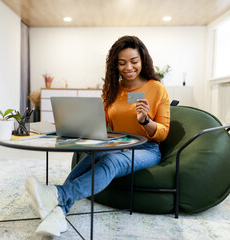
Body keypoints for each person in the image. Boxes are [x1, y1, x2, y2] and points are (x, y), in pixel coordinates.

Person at [25, 35, 170, 237]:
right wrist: (77, 125)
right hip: (118, 143)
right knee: (93, 157)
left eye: (134, 61)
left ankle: (58, 194)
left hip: (146, 148)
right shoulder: (112, 90)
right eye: (122, 63)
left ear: (143, 60)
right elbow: (100, 122)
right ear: (115, 65)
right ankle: (58, 215)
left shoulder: (157, 88)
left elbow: (163, 133)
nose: (129, 67)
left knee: (111, 161)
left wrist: (146, 120)